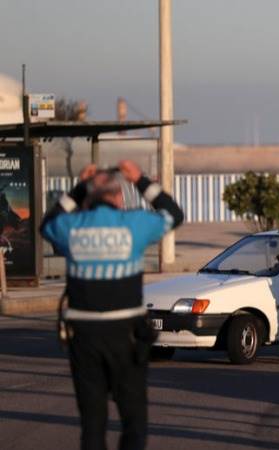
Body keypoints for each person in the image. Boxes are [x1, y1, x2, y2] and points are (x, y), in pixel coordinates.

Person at [41, 161, 184, 450]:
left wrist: (80, 187)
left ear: (89, 197)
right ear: (119, 196)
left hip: (84, 335)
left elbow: (47, 225)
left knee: (92, 423)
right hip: (126, 335)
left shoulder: (72, 227)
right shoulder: (134, 224)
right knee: (134, 420)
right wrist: (140, 180)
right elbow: (174, 214)